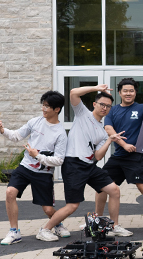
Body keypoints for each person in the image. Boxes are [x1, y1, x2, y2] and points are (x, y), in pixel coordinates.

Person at [35, 85, 127, 242]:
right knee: (72, 206)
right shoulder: (83, 113)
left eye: (108, 106)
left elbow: (98, 156)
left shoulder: (102, 131)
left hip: (89, 166)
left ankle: (114, 226)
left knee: (114, 190)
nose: (104, 108)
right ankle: (44, 230)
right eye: (102, 104)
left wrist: (109, 141)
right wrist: (97, 87)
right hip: (73, 164)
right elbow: (73, 93)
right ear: (94, 104)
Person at [0, 90, 68, 245]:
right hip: (25, 167)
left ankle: (57, 224)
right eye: (43, 105)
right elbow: (16, 136)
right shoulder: (35, 122)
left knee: (48, 210)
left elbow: (59, 160)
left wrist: (38, 156)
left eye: (47, 106)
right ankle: (14, 232)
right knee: (10, 192)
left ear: (57, 109)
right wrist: (2, 130)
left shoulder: (61, 133)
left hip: (43, 173)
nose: (43, 109)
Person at [95, 78, 143, 220]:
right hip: (119, 155)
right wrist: (124, 145)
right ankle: (97, 219)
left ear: (135, 93)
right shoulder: (113, 110)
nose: (128, 93)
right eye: (125, 91)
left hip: (136, 156)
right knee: (101, 185)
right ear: (119, 93)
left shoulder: (142, 108)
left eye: (131, 91)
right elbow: (108, 128)